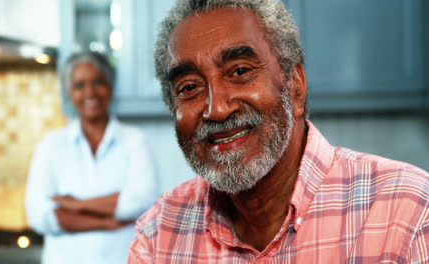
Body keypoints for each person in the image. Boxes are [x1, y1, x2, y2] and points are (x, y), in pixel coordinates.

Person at [128, 0, 429, 263]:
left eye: (240, 71)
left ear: (295, 85)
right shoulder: (159, 234)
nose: (216, 108)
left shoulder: (407, 213)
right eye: (189, 87)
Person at [25, 51, 158, 264]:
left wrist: (76, 205)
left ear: (110, 87)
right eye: (79, 85)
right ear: (69, 93)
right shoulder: (50, 145)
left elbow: (142, 201)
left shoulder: (135, 141)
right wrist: (105, 222)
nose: (90, 92)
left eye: (98, 82)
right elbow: (39, 215)